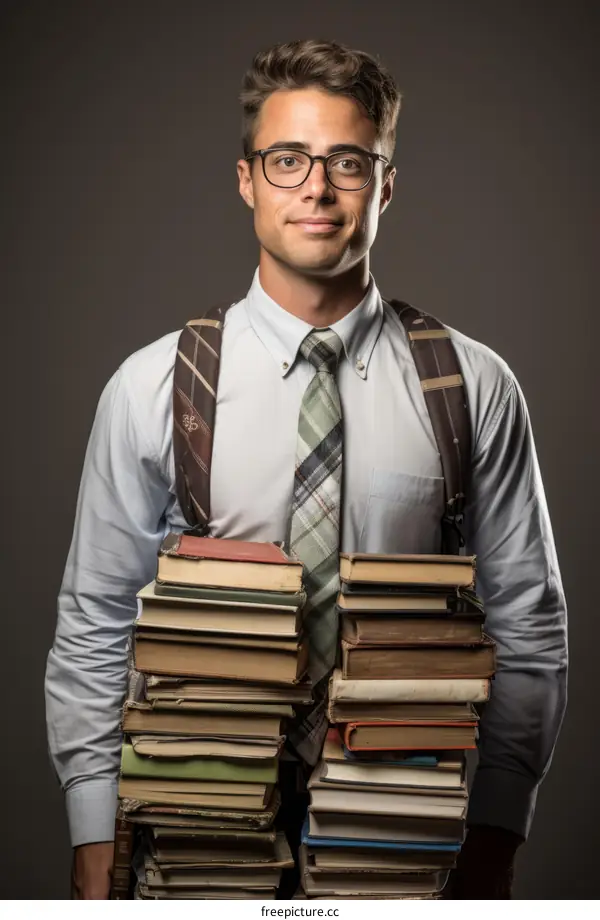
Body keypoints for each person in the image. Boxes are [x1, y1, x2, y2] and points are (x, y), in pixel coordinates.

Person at [45, 38, 568, 900]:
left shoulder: (473, 387)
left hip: (401, 838)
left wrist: (499, 827)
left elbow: (528, 621)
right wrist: (94, 825)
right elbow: (96, 618)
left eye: (348, 162)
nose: (316, 188)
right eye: (287, 159)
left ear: (385, 185)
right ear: (247, 180)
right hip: (195, 831)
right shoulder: (151, 386)